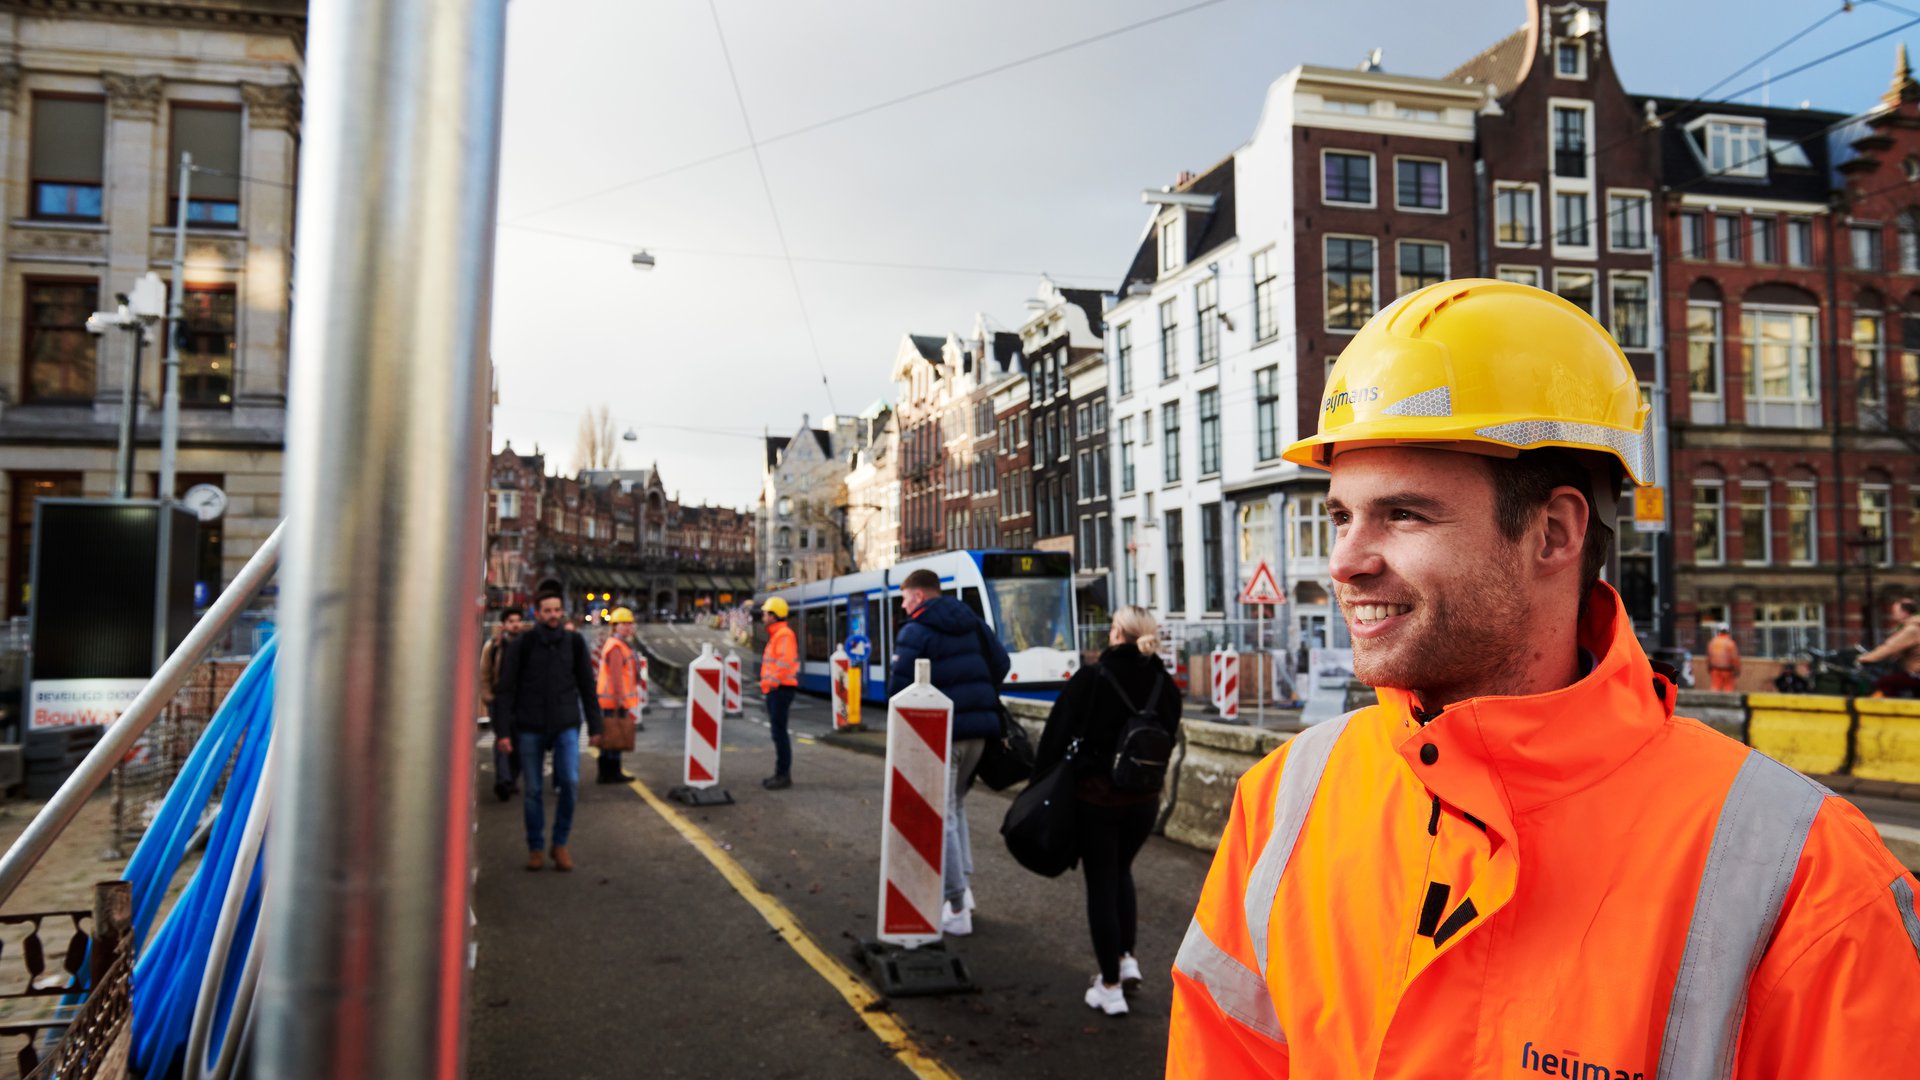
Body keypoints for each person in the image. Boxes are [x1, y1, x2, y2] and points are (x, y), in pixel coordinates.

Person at [1167, 280, 1920, 1077]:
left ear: (1553, 532)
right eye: (1340, 515)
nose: (1346, 563)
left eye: (1404, 515)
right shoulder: (1287, 798)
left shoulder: (1810, 877)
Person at [1033, 604, 1181, 1017]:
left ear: (1116, 632)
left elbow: (1056, 735)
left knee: (1101, 884)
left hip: (1098, 799)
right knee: (1122, 874)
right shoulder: (1163, 684)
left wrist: (1040, 785)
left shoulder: (1093, 677)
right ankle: (1126, 957)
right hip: (1144, 802)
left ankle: (1110, 986)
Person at [886, 568, 1011, 936]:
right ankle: (965, 890)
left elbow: (899, 689)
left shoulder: (915, 631)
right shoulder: (970, 622)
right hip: (982, 731)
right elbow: (1001, 664)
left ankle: (957, 906)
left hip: (944, 732)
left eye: (906, 597)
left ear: (920, 597)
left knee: (941, 815)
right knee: (955, 806)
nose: (904, 605)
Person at [494, 589, 602, 872]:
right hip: (530, 726)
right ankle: (536, 847)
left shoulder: (574, 643)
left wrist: (595, 725)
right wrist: (503, 732)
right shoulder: (524, 645)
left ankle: (560, 843)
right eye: (547, 611)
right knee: (533, 790)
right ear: (537, 613)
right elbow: (505, 689)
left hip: (566, 723)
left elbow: (587, 686)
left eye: (557, 610)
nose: (553, 615)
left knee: (569, 782)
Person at [479, 608, 526, 802]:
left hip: (522, 700)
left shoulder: (527, 645)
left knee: (520, 741)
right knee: (502, 738)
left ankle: (511, 777)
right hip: (499, 700)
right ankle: (503, 780)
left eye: (518, 620)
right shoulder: (494, 646)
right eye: (511, 621)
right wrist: (488, 697)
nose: (515, 624)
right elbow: (485, 673)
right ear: (504, 625)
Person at [595, 607, 641, 784]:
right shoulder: (616, 646)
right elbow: (615, 675)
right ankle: (610, 773)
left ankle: (610, 772)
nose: (628, 627)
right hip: (613, 700)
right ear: (614, 626)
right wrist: (620, 698)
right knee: (613, 738)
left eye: (630, 623)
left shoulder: (621, 644)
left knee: (612, 737)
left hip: (613, 699)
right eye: (624, 624)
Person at [757, 597, 799, 789]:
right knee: (778, 732)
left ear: (774, 616)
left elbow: (784, 663)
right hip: (777, 689)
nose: (763, 616)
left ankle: (783, 775)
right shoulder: (778, 634)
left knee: (779, 733)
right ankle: (780, 774)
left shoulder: (783, 635)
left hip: (780, 689)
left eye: (766, 613)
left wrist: (772, 684)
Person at [1861, 597, 1920, 697]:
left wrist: (1865, 658)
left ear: (1905, 613)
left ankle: (1894, 710)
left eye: (1896, 611)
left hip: (1916, 672)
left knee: (1884, 682)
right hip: (1914, 670)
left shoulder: (1912, 629)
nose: (1893, 615)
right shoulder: (1913, 625)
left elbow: (1890, 647)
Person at [1705, 624, 1741, 692]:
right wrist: (1737, 670)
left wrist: (1709, 668)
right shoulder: (1730, 643)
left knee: (1715, 688)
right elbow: (1734, 658)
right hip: (1728, 671)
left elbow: (1708, 657)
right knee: (1728, 689)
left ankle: (1714, 702)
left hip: (1715, 670)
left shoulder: (1713, 642)